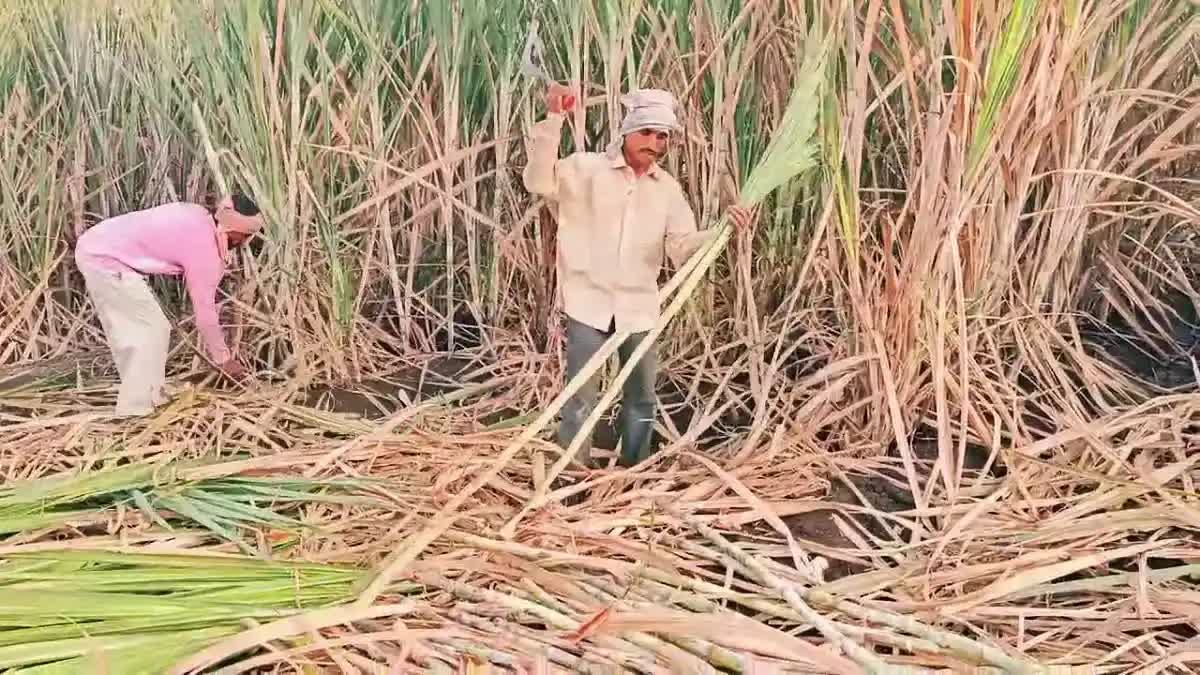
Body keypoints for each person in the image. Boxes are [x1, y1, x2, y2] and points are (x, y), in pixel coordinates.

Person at [523, 84, 755, 468]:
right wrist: (554, 118)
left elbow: (680, 247)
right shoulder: (585, 170)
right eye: (646, 132)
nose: (655, 143)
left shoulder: (667, 190)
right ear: (626, 130)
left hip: (639, 308)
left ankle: (634, 473)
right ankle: (569, 476)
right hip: (588, 303)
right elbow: (538, 182)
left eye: (662, 136)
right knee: (580, 399)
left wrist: (720, 231)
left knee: (642, 399)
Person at [73, 195, 264, 417]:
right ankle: (134, 412)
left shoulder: (198, 216)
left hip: (99, 246)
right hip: (103, 258)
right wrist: (223, 360)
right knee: (148, 331)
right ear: (234, 229)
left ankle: (152, 397)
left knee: (150, 330)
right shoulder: (204, 248)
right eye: (246, 234)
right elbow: (204, 313)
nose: (246, 241)